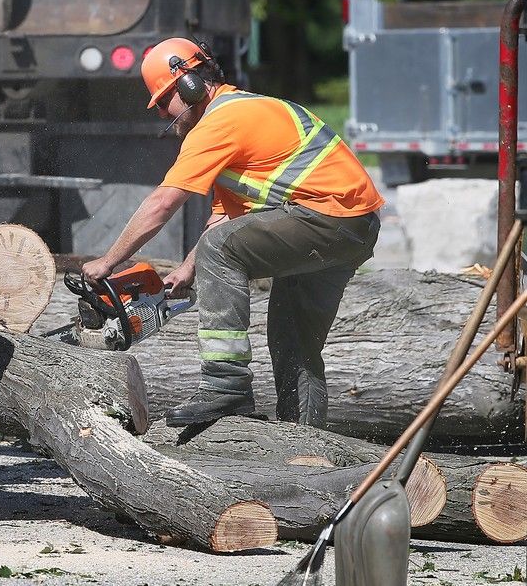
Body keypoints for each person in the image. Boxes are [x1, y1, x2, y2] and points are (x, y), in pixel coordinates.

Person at [81, 37, 383, 428]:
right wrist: (188, 270)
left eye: (162, 101)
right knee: (293, 339)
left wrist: (108, 262)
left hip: (329, 218)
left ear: (188, 85)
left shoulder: (221, 122)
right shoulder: (244, 111)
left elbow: (161, 205)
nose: (161, 114)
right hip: (352, 224)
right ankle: (306, 442)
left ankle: (226, 386)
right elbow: (227, 216)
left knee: (220, 250)